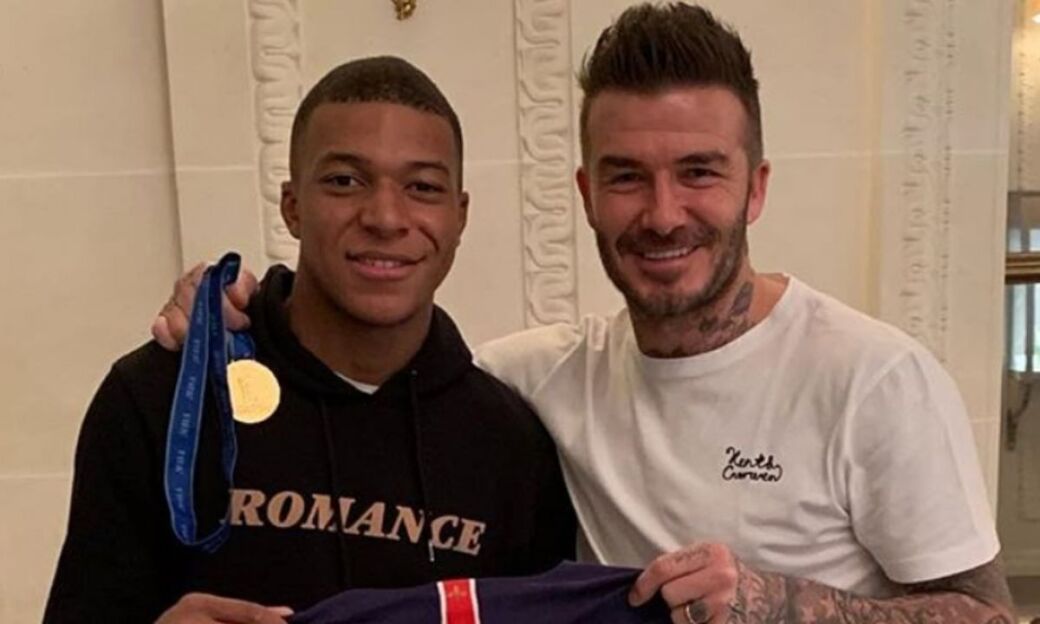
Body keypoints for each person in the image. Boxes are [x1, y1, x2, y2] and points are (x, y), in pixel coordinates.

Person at [151, 3, 1016, 623]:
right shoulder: (534, 380)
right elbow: (378, 356)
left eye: (700, 172)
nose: (664, 214)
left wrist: (777, 602)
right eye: (627, 176)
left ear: (755, 188)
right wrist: (239, 312)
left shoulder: (874, 379)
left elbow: (988, 617)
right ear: (586, 193)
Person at [45, 57, 575, 624]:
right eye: (345, 181)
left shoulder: (510, 442)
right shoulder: (162, 397)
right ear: (292, 206)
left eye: (422, 187)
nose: (385, 217)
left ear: (459, 215)